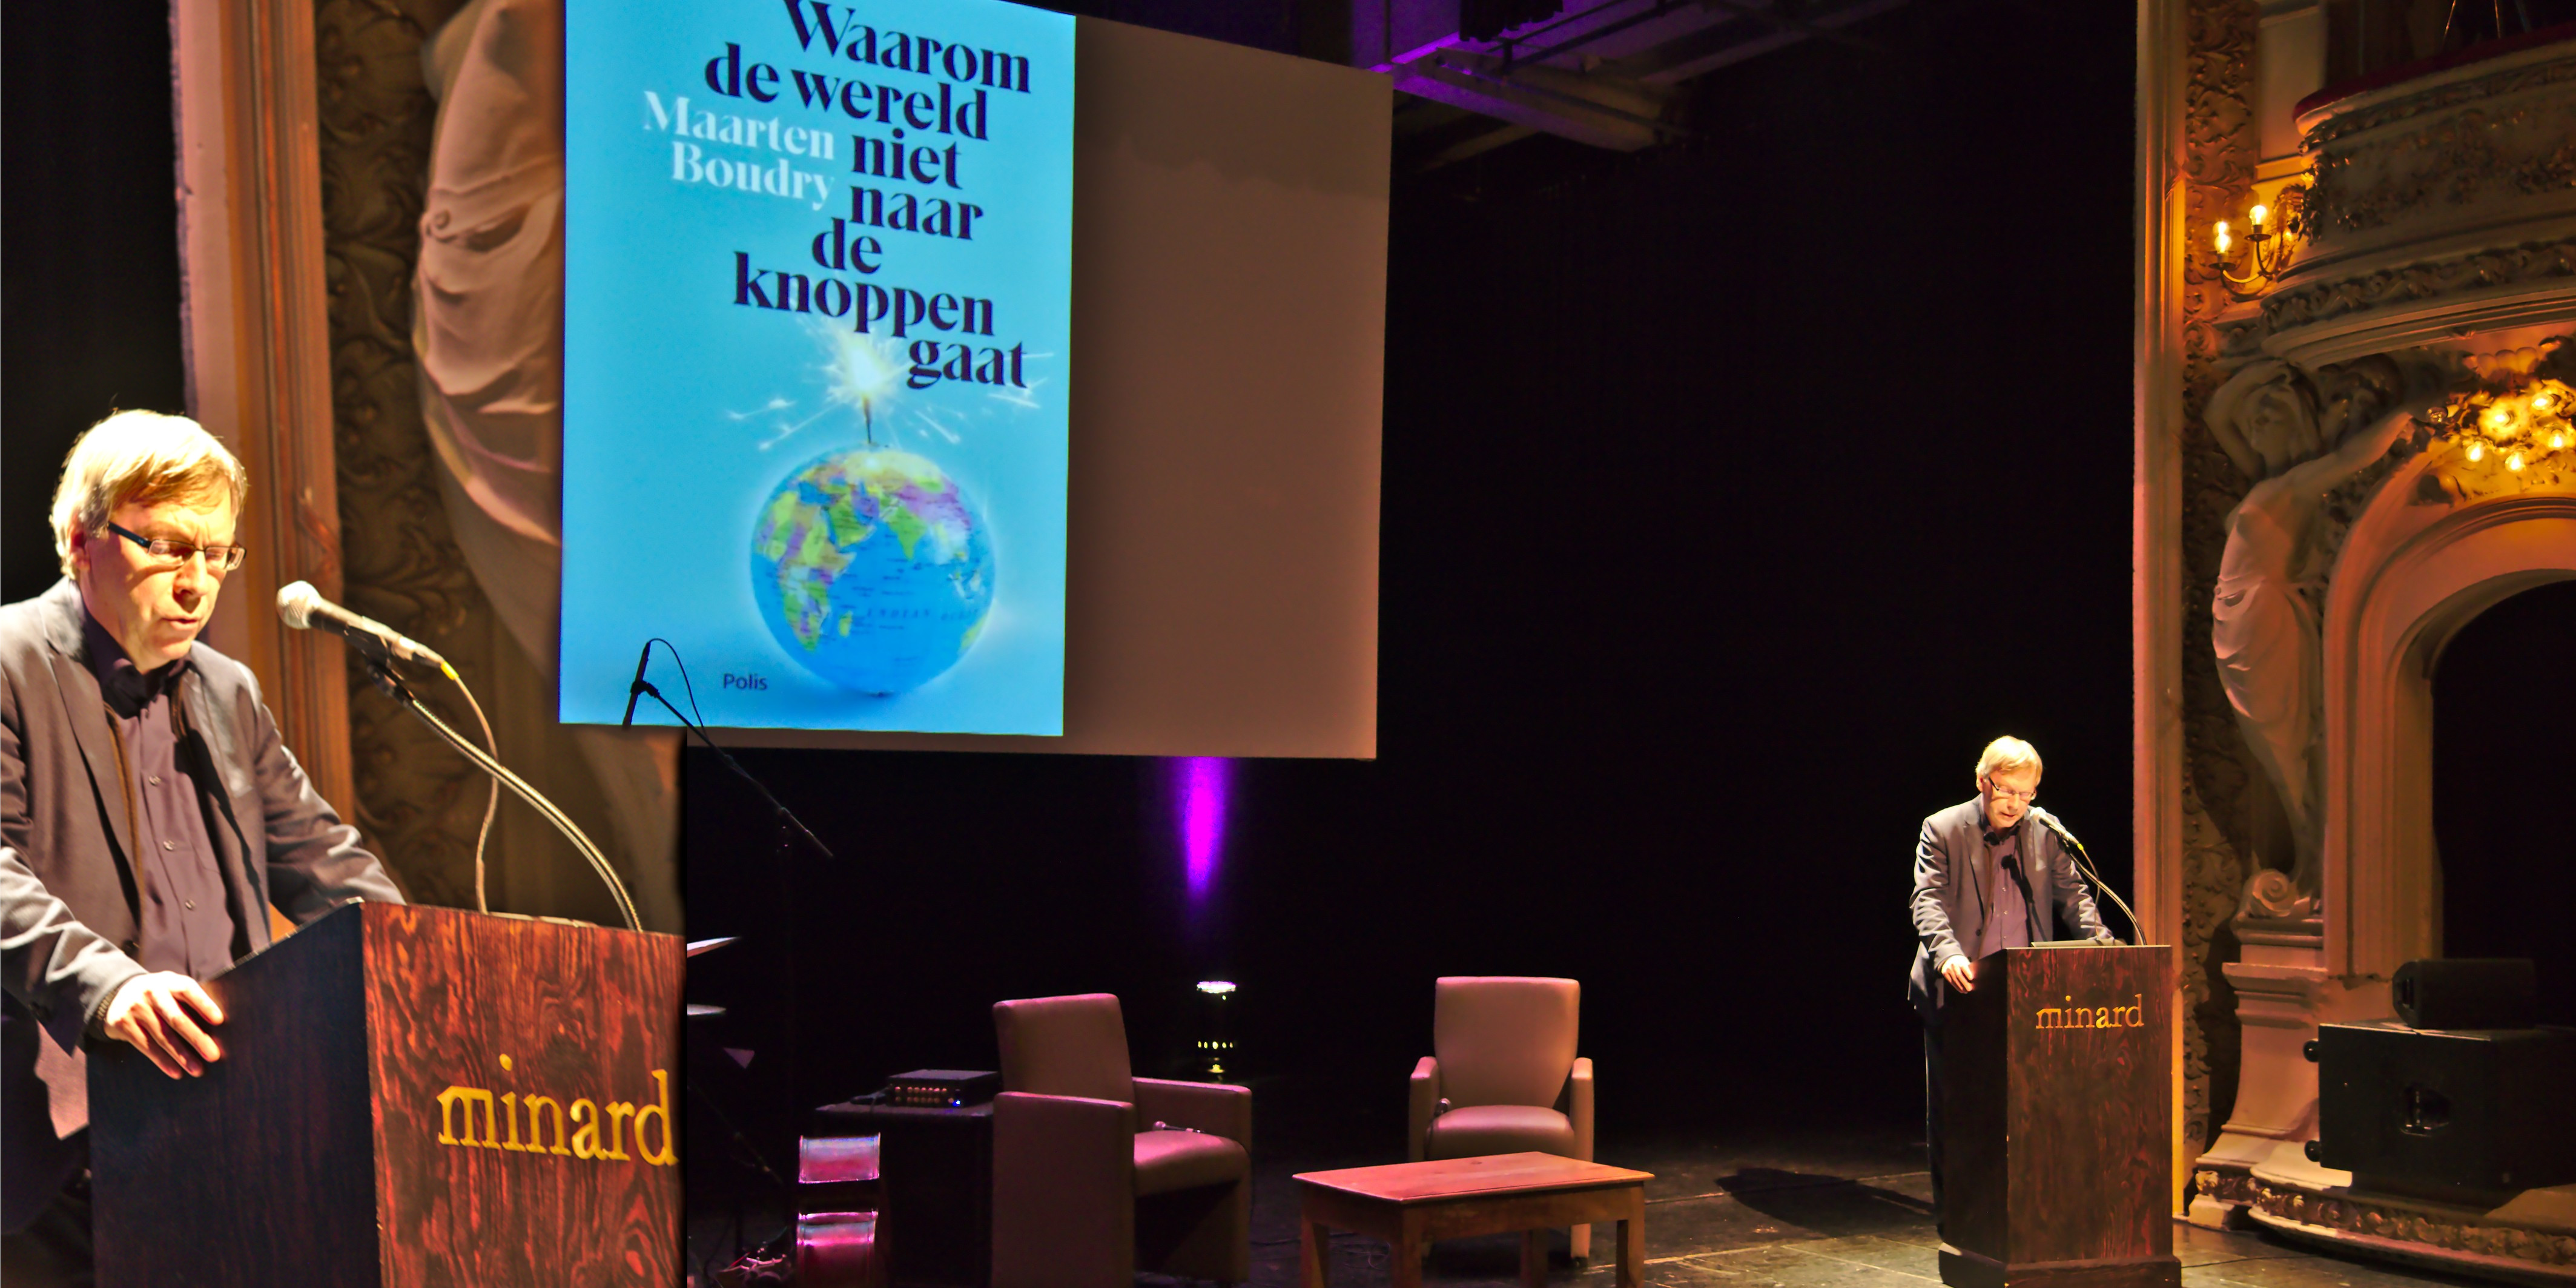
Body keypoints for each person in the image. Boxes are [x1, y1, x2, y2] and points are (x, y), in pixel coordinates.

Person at [2, 411, 405, 1285]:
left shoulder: (229, 693)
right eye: (172, 548)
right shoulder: (9, 661)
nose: (198, 583)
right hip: (57, 1154)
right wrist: (109, 987)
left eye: (219, 555)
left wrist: (430, 970)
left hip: (226, 1143)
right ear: (82, 538)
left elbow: (328, 863)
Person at [1906, 736, 2110, 1230]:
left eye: (2026, 793)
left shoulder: (2045, 833)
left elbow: (2074, 897)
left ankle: (2022, 1215)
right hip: (1961, 987)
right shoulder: (1943, 827)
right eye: (2005, 791)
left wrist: (2106, 949)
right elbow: (1926, 900)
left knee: (2029, 1109)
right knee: (1957, 1111)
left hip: (2029, 995)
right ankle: (1955, 1216)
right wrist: (1949, 954)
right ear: (1983, 781)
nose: (2015, 803)